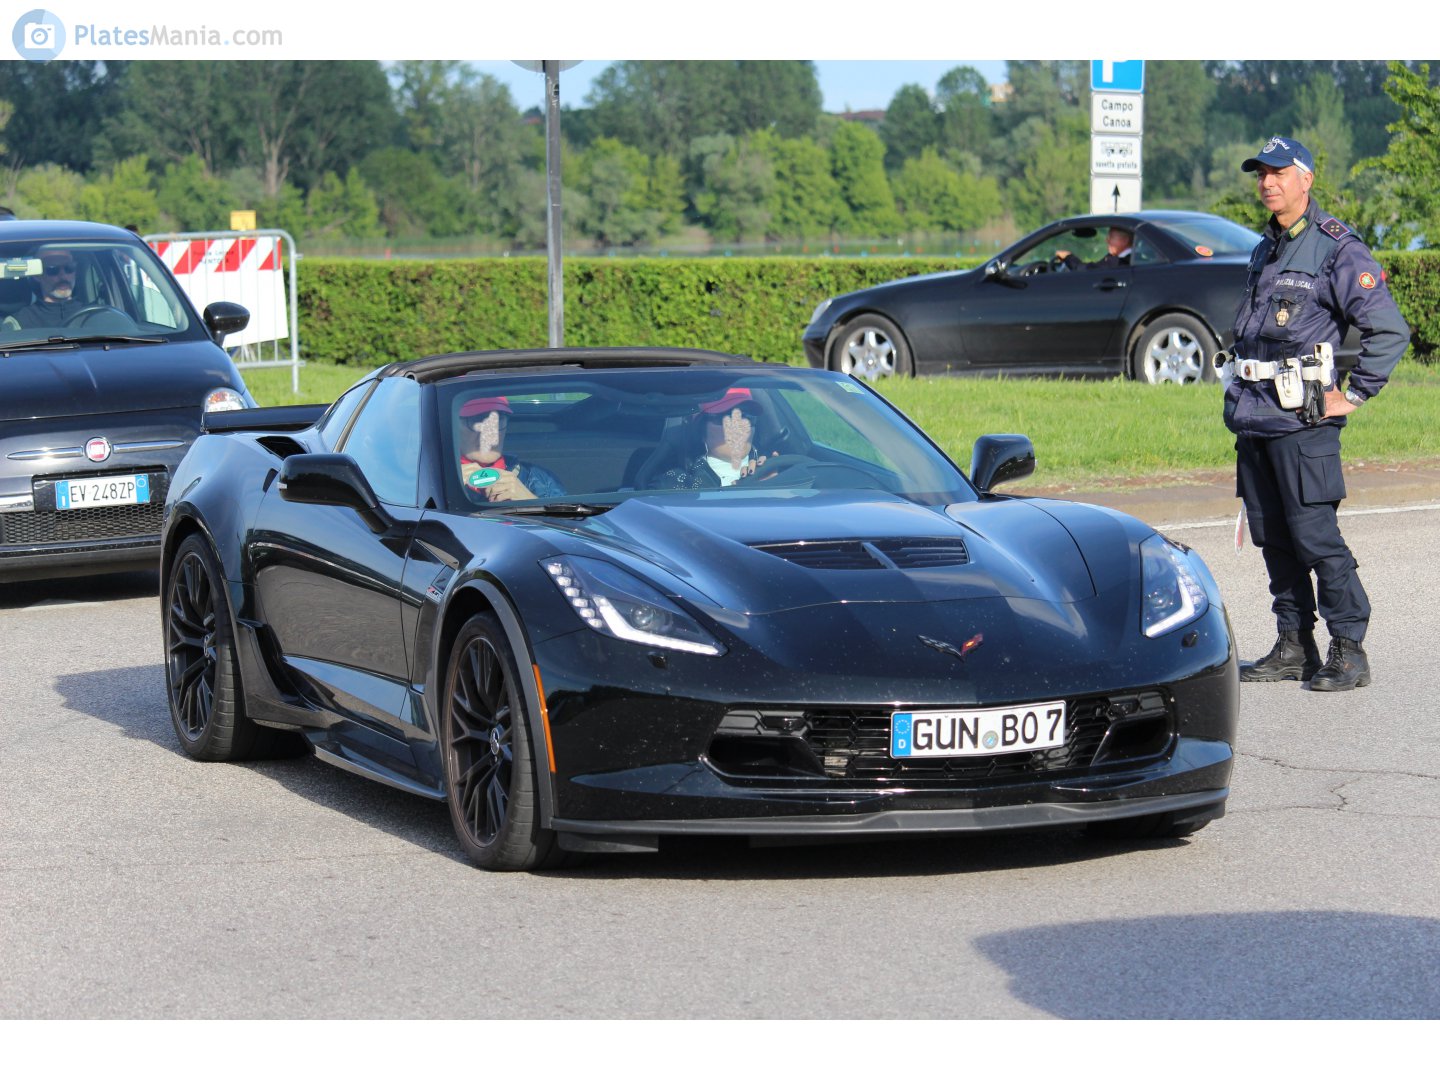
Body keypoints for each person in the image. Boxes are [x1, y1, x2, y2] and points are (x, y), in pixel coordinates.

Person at [1224, 135, 1410, 692]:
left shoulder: (1336, 248)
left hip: (1304, 425)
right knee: (1273, 539)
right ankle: (1293, 645)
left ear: (1306, 179)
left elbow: (1389, 330)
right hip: (1255, 419)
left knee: (1316, 539)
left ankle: (1349, 649)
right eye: (1261, 173)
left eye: (1279, 172)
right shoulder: (1266, 248)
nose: (1267, 182)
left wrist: (1354, 394)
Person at [456, 395, 565, 502]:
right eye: (476, 420)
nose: (491, 435)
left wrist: (530, 502)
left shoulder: (541, 481)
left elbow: (565, 514)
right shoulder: (444, 482)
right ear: (452, 426)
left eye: (498, 420)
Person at [659, 388, 774, 489]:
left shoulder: (774, 468)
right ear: (701, 431)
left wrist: (776, 480)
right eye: (726, 418)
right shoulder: (676, 484)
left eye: (748, 417)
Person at [3, 247, 86, 330]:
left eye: (69, 268)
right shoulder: (18, 323)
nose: (63, 276)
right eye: (53, 270)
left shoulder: (91, 314)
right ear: (37, 276)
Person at [1055, 227, 1132, 270]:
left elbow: (1088, 270)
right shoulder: (1129, 258)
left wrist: (1067, 257)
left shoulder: (1121, 262)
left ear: (1125, 240)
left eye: (1111, 237)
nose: (1107, 240)